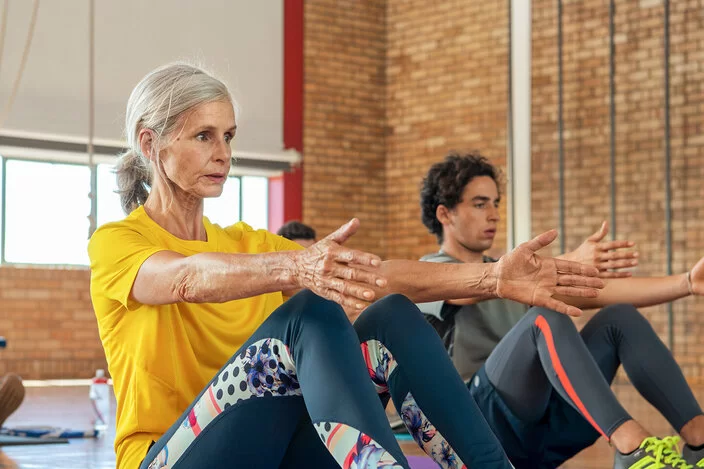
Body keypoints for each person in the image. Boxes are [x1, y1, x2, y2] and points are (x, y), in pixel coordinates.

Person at [87, 63, 602, 469]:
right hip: (169, 458)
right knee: (309, 313)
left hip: (274, 455)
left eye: (229, 136)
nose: (223, 153)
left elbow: (374, 275)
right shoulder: (117, 243)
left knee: (392, 316)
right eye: (204, 136)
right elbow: (184, 278)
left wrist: (492, 277)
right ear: (150, 143)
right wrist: (299, 268)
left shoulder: (247, 243)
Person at [413, 151, 704, 468]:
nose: (494, 214)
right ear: (445, 214)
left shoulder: (511, 273)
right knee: (544, 319)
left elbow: (602, 291)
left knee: (619, 318)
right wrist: (567, 261)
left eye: (496, 203)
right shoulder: (431, 272)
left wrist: (687, 282)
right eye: (480, 204)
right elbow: (472, 290)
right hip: (479, 425)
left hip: (540, 430)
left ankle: (700, 440)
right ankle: (633, 450)